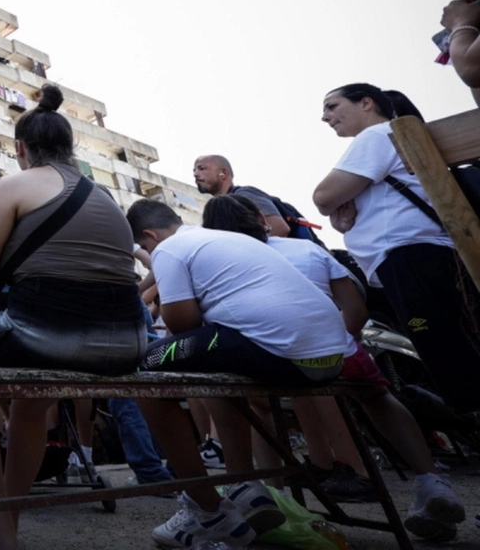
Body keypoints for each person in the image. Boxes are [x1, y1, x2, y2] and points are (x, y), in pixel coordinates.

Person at [0, 85, 147, 549]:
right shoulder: (106, 200)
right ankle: (8, 522)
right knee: (30, 403)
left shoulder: (14, 185)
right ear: (69, 147)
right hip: (128, 342)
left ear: (20, 149)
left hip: (47, 333)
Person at [203, 194, 468, 541]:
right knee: (377, 395)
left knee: (255, 404)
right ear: (261, 220)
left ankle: (271, 493)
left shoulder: (215, 263)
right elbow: (356, 313)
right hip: (335, 355)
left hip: (267, 365)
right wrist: (327, 345)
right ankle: (430, 479)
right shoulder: (307, 250)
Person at [126, 199, 358, 547]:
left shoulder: (170, 249)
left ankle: (206, 508)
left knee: (139, 369)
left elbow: (181, 323)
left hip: (285, 355)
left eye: (145, 248)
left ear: (149, 235)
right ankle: (242, 484)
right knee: (209, 361)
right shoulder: (225, 239)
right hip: (329, 357)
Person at [313, 83, 480, 410]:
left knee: (454, 358)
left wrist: (336, 209)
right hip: (420, 256)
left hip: (411, 255)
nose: (325, 117)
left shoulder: (375, 136)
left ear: (366, 103)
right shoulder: (391, 137)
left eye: (332, 106)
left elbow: (323, 197)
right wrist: (344, 219)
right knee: (459, 349)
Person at [192, 155, 293, 238]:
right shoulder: (222, 207)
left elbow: (280, 229)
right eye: (194, 170)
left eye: (202, 169)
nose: (195, 174)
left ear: (223, 173)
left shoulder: (245, 195)